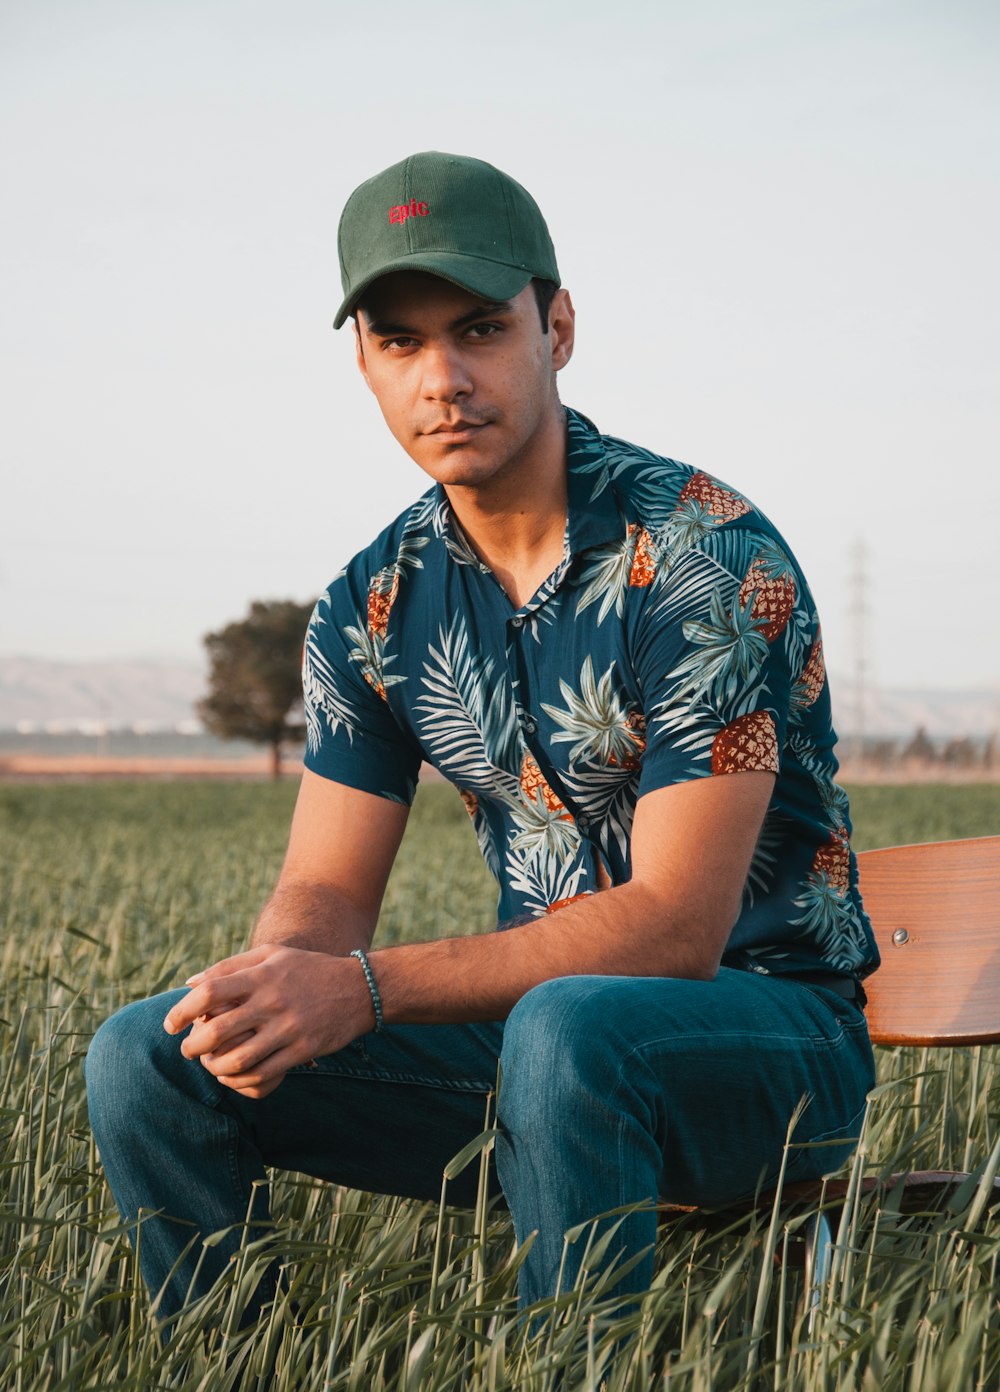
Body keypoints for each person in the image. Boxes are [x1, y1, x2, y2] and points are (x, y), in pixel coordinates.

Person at [85, 151, 879, 1326]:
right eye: (400, 342)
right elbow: (320, 884)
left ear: (555, 327)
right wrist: (283, 980)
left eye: (478, 329)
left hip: (768, 1044)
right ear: (361, 361)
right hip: (544, 1049)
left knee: (570, 1023)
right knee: (149, 1052)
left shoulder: (704, 559)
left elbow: (673, 926)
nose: (443, 378)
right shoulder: (372, 603)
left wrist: (362, 990)